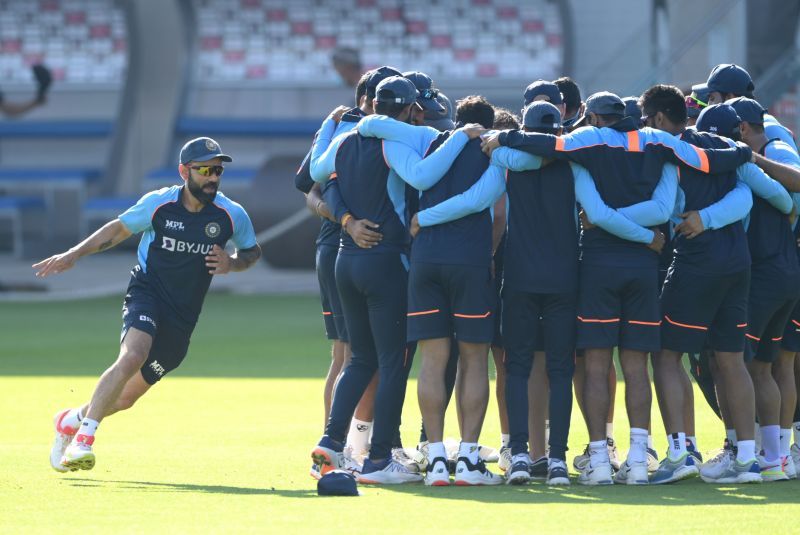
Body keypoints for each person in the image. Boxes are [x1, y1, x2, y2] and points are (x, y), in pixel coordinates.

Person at [480, 90, 754, 485]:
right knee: (634, 365)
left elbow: (555, 160)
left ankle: (590, 460)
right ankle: (636, 460)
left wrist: (503, 138)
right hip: (638, 270)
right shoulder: (654, 141)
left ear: (592, 116)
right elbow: (689, 180)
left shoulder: (584, 146)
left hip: (589, 268)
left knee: (585, 364)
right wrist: (743, 154)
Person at [415, 100, 673, 485]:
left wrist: (424, 217)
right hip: (565, 279)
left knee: (515, 368)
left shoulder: (508, 160)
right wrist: (648, 236)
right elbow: (598, 213)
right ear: (559, 131)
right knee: (560, 369)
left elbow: (476, 201)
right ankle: (555, 461)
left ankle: (519, 455)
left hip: (519, 277)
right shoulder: (574, 163)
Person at [40, 137, 260, 472]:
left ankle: (72, 419)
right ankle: (83, 440)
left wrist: (232, 263)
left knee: (126, 398)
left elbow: (251, 251)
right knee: (134, 354)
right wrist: (73, 255)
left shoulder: (231, 215)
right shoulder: (159, 204)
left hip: (184, 315)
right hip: (147, 292)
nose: (213, 177)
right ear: (184, 171)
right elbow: (117, 230)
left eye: (217, 170)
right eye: (205, 170)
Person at [309, 76, 484, 484]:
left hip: (345, 259)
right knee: (391, 363)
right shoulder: (395, 143)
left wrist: (326, 129)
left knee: (360, 359)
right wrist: (460, 138)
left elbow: (317, 170)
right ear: (408, 109)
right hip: (386, 260)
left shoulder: (347, 139)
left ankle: (332, 441)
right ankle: (379, 458)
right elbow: (423, 177)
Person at [295, 66, 400, 475]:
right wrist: (346, 221)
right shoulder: (352, 130)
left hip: (342, 249)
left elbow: (310, 184)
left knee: (354, 355)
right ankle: (345, 448)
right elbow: (309, 184)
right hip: (344, 246)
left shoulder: (341, 129)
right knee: (354, 354)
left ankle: (340, 444)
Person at [727, 97, 800, 480]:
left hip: (767, 275)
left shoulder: (760, 158)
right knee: (765, 366)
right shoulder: (765, 160)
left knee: (735, 362)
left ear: (741, 130)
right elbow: (788, 205)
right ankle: (777, 456)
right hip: (787, 270)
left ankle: (749, 456)